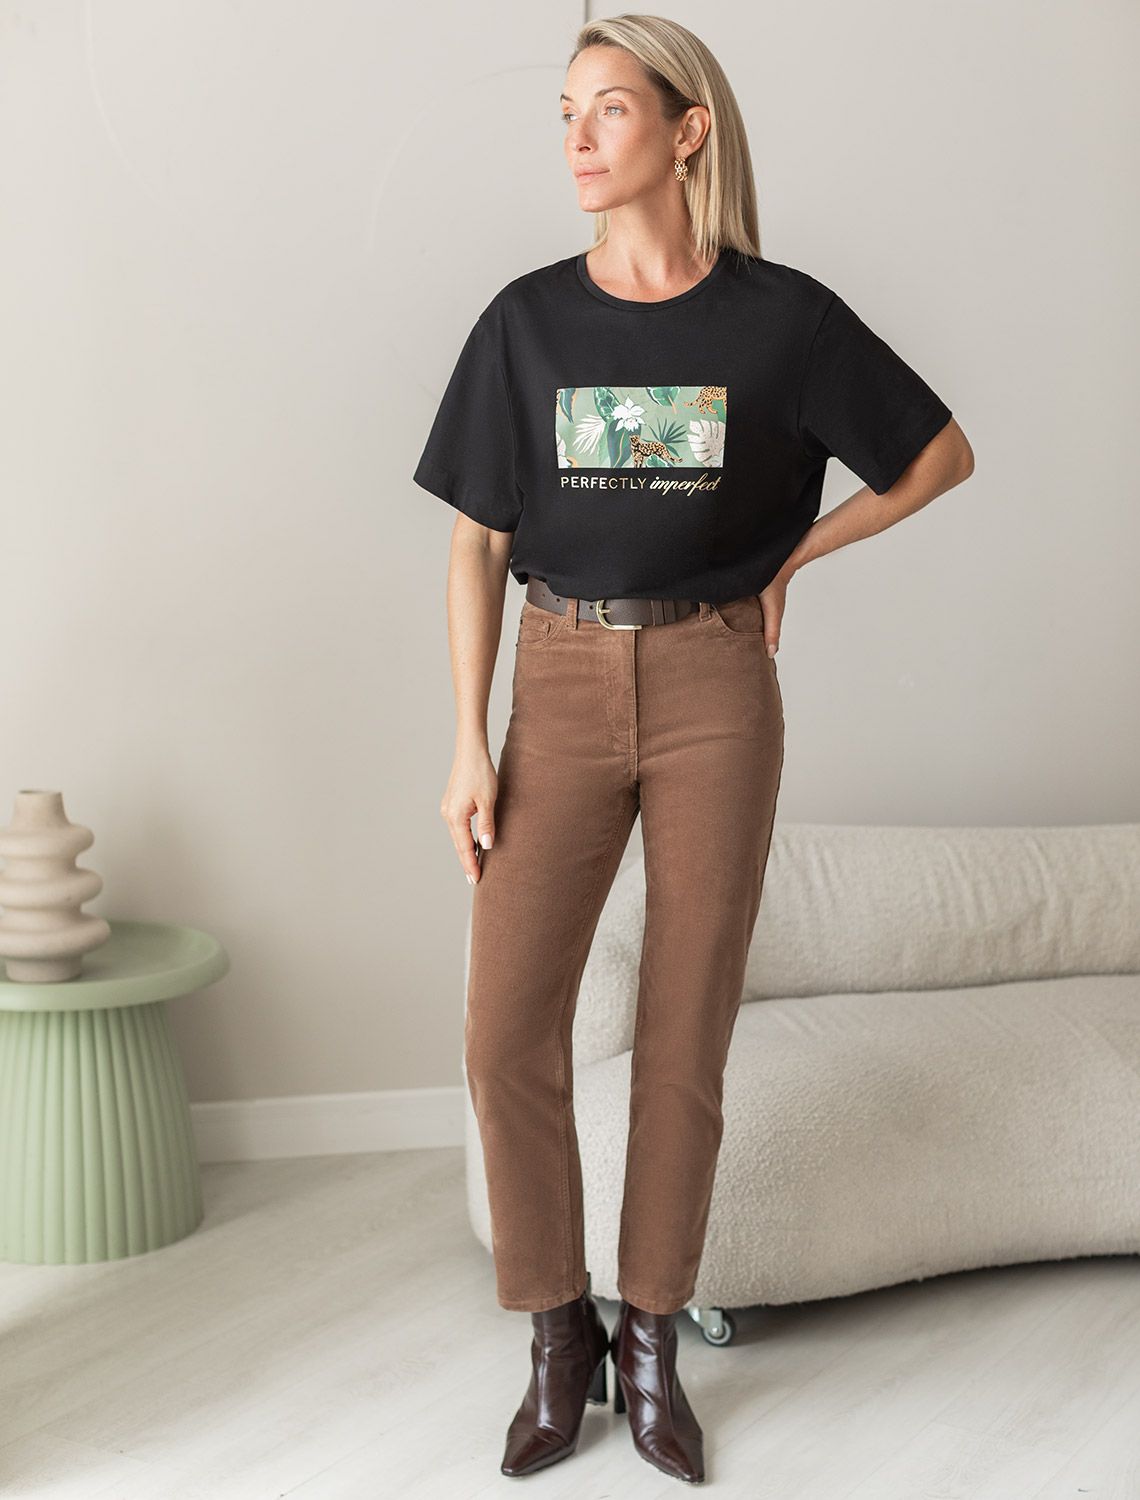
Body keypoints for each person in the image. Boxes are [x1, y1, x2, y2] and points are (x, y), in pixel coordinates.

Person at [412, 14, 974, 1485]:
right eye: (565, 112)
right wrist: (468, 743)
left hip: (718, 684)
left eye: (609, 108)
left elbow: (936, 454)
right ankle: (560, 1333)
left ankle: (653, 1332)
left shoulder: (783, 323)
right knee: (504, 1029)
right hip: (559, 678)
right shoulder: (526, 323)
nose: (578, 137)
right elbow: (476, 546)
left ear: (687, 130)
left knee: (686, 1024)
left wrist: (798, 558)